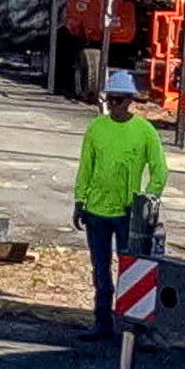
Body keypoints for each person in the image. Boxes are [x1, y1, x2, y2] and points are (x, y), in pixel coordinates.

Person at [74, 66, 170, 327]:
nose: (113, 105)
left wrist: (146, 202)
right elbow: (86, 167)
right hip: (96, 212)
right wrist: (79, 201)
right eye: (110, 99)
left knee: (132, 267)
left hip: (128, 213)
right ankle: (102, 322)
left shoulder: (145, 131)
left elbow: (160, 169)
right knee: (101, 270)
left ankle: (129, 323)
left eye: (118, 100)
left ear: (129, 101)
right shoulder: (96, 128)